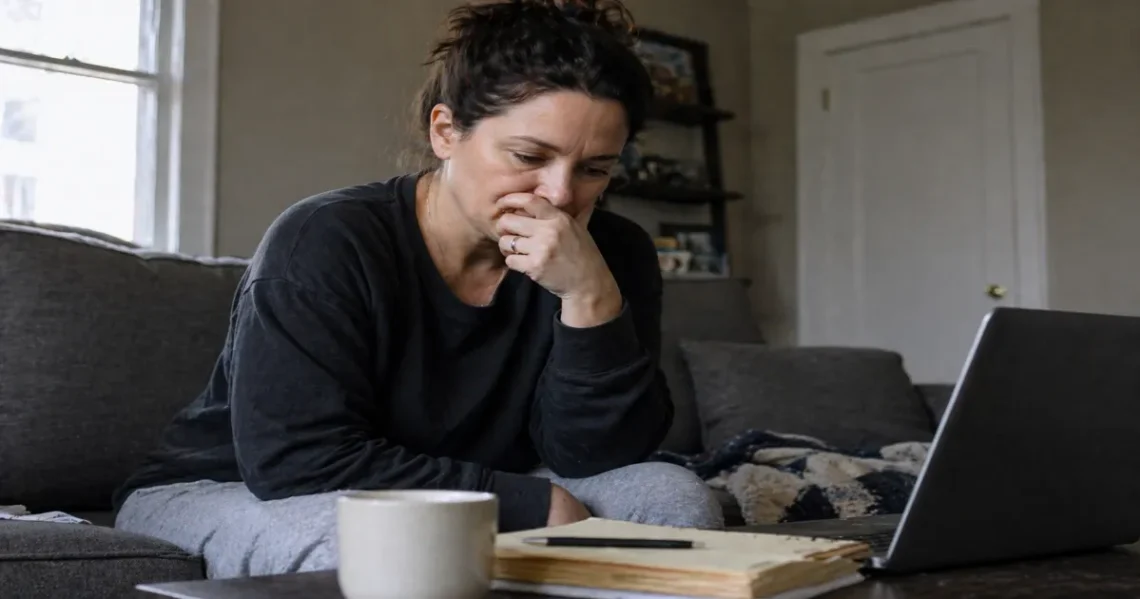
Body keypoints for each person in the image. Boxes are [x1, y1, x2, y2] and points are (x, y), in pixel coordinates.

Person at [113, 0, 723, 579]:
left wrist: (590, 301)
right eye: (528, 155)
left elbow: (596, 456)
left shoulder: (612, 253)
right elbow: (296, 460)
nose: (560, 194)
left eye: (595, 168)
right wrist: (525, 504)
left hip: (470, 480)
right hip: (229, 485)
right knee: (378, 545)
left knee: (670, 496)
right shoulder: (326, 238)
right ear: (446, 132)